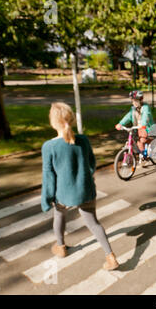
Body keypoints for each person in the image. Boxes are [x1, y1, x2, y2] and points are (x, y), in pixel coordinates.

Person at [41, 102, 119, 271]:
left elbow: (49, 176)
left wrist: (47, 199)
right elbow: (92, 163)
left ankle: (61, 247)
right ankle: (110, 256)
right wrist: (86, 178)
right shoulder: (83, 140)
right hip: (86, 190)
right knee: (93, 223)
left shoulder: (49, 147)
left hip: (63, 193)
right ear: (72, 119)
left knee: (59, 215)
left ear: (53, 123)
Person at [115, 90, 154, 160]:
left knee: (142, 140)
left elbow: (145, 116)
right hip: (138, 128)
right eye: (132, 101)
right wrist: (120, 124)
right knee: (138, 142)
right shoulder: (133, 109)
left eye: (136, 101)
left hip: (147, 127)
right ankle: (143, 156)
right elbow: (128, 116)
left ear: (141, 100)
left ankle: (152, 147)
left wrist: (143, 124)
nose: (134, 103)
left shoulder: (145, 107)